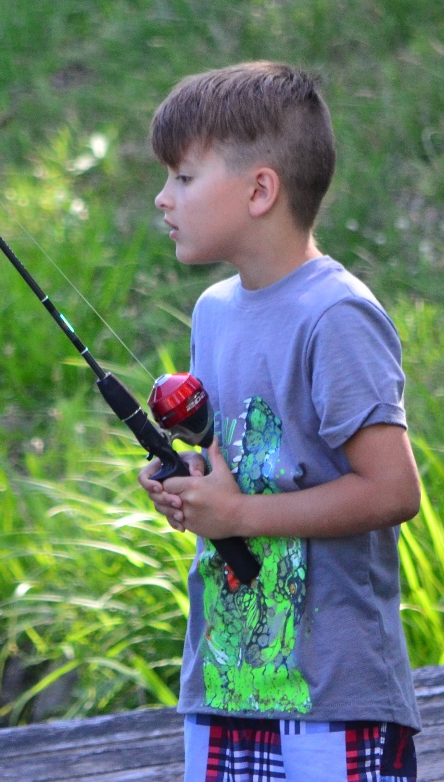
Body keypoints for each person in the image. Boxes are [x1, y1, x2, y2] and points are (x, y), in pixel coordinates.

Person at [138, 62, 423, 782]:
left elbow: (392, 491)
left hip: (335, 695)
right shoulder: (213, 311)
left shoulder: (337, 315)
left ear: (261, 189)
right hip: (226, 685)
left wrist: (239, 511)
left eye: (183, 177)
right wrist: (190, 488)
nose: (163, 197)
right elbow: (235, 464)